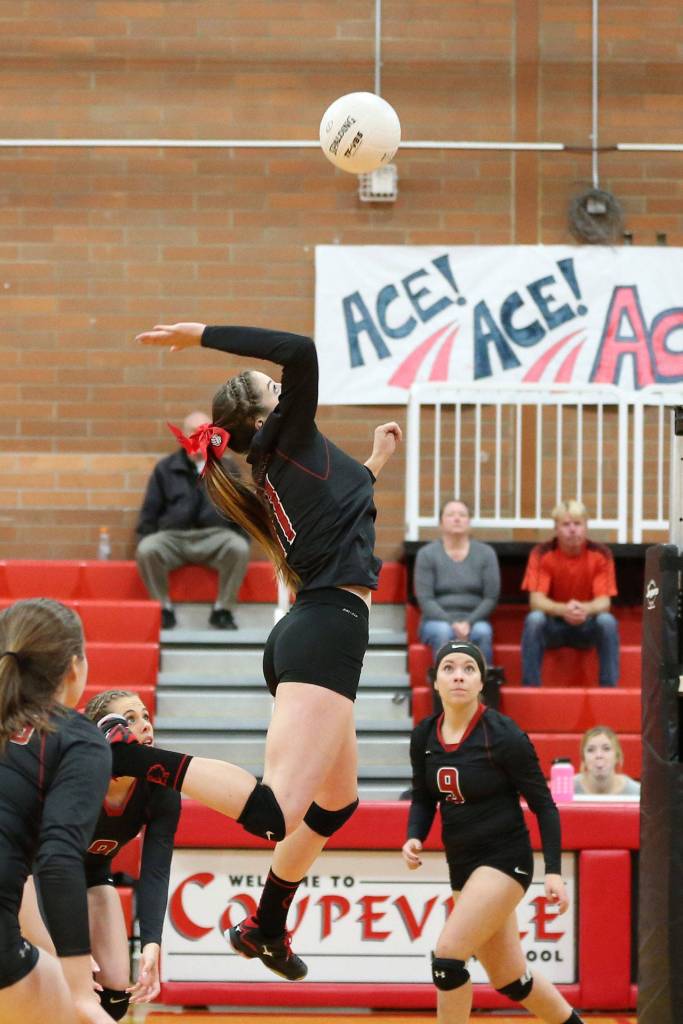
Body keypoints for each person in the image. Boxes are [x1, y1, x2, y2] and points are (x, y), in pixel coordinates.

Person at [134, 319, 402, 980]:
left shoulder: (277, 461)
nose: (280, 380)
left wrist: (373, 463)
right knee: (276, 812)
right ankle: (128, 756)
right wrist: (201, 334)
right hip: (325, 629)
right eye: (268, 384)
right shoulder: (290, 436)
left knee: (334, 805)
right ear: (263, 410)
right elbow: (302, 349)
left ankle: (265, 925)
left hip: (313, 627)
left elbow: (341, 507)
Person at [402, 639, 585, 1024]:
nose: (458, 676)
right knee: (511, 981)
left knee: (448, 959)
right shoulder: (424, 736)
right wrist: (414, 834)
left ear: (481, 681)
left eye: (468, 669)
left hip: (505, 860)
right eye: (449, 668)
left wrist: (553, 871)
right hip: (462, 863)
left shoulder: (502, 735)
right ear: (435, 681)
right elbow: (423, 796)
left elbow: (544, 805)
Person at [0, 598, 115, 1024]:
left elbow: (20, 876)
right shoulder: (74, 738)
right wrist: (81, 994)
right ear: (74, 667)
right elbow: (58, 860)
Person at [136, 409, 250, 629]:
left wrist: (242, 535)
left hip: (215, 537)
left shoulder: (227, 468)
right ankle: (163, 608)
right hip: (174, 538)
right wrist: (145, 536)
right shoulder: (165, 469)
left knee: (239, 547)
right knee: (146, 549)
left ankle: (223, 610)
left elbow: (241, 511)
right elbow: (150, 510)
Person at [520, 499, 620, 687]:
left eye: (577, 524)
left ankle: (609, 688)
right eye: (566, 524)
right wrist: (564, 609)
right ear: (556, 529)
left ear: (586, 527)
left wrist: (583, 609)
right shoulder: (541, 553)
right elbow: (536, 601)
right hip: (553, 627)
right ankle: (530, 687)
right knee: (534, 619)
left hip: (586, 625)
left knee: (607, 621)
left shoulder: (601, 553)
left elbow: (604, 603)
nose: (572, 529)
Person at [414, 499, 500, 666]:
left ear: (469, 522)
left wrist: (469, 622)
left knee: (483, 632)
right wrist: (452, 623)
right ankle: (441, 690)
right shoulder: (426, 554)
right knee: (443, 631)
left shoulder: (486, 553)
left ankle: (483, 689)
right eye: (450, 515)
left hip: (475, 621)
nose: (457, 519)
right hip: (436, 621)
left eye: (462, 515)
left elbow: (491, 597)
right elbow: (425, 600)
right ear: (440, 523)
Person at [574, 725, 640, 796]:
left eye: (606, 749)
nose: (599, 755)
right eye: (591, 750)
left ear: (617, 756)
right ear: (583, 758)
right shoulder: (568, 788)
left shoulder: (635, 792)